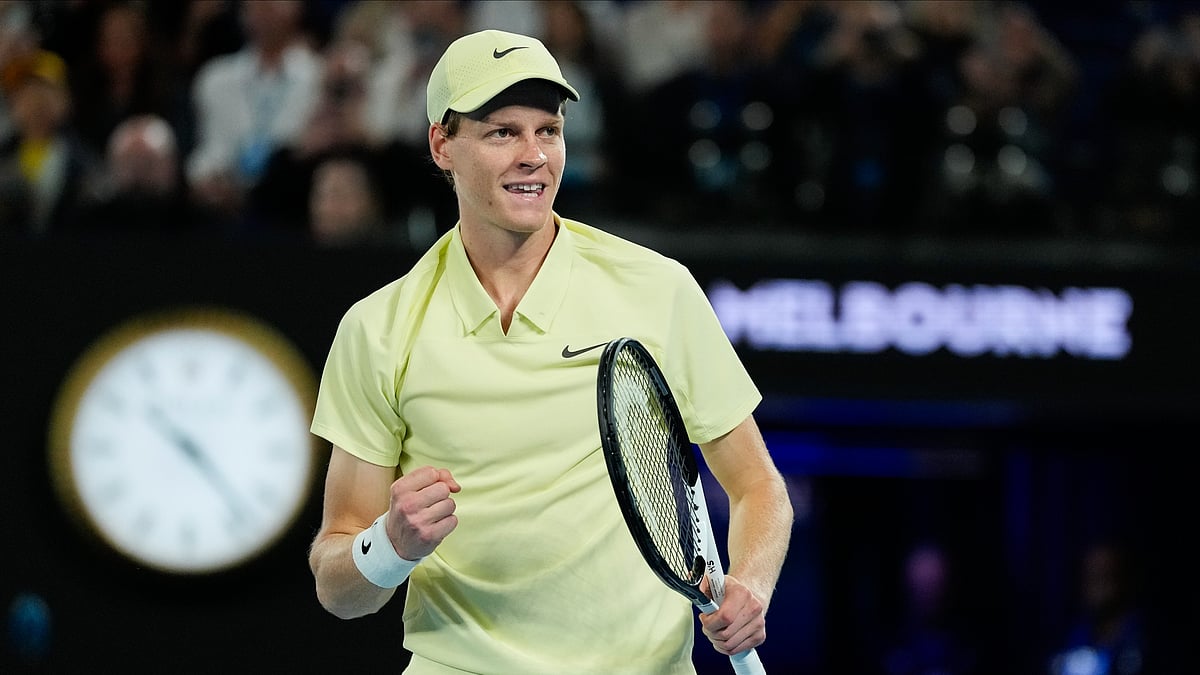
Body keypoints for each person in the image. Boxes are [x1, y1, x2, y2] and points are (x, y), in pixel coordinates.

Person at [307, 28, 793, 674]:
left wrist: (751, 584)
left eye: (549, 130)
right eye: (503, 132)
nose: (534, 155)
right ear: (442, 144)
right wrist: (389, 544)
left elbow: (759, 485)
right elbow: (337, 587)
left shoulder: (659, 289)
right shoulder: (377, 330)